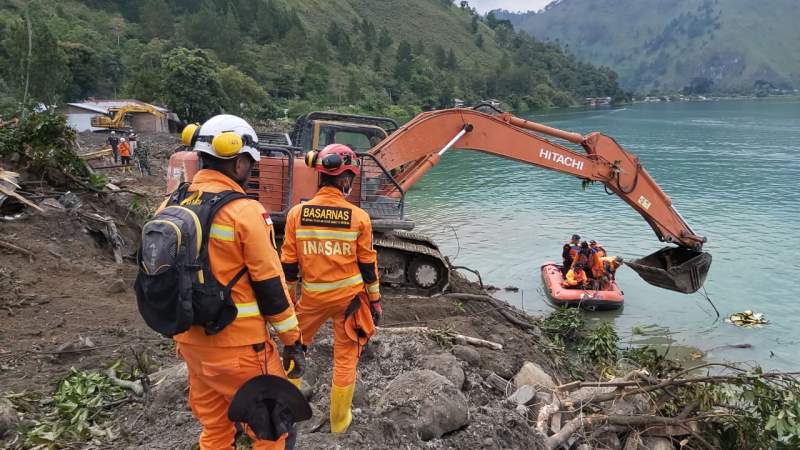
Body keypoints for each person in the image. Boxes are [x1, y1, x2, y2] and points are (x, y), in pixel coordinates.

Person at [164, 115, 305, 450]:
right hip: (239, 347)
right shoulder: (245, 213)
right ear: (239, 162)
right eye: (250, 164)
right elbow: (271, 288)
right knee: (274, 429)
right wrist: (292, 341)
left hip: (190, 342)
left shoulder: (172, 203)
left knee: (215, 428)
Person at [280, 143, 382, 434]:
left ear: (320, 176)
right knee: (346, 358)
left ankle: (286, 416)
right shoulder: (359, 217)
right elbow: (367, 265)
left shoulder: (296, 215)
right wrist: (374, 302)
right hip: (350, 300)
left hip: (311, 298)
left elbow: (288, 264)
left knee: (294, 348)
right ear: (346, 179)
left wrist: (288, 302)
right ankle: (339, 423)